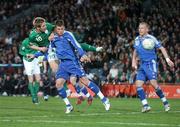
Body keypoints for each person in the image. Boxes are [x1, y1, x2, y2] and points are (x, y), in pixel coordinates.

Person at [51, 19, 110, 113]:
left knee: (84, 81)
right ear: (55, 29)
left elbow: (77, 44)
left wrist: (82, 54)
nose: (60, 31)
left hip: (73, 62)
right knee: (58, 84)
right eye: (58, 29)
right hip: (63, 64)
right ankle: (68, 105)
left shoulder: (68, 34)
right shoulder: (53, 38)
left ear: (64, 28)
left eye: (62, 29)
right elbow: (52, 48)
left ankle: (104, 100)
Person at [132, 22, 174, 113]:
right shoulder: (137, 39)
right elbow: (135, 51)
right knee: (138, 84)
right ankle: (145, 105)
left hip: (151, 64)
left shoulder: (151, 38)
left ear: (147, 29)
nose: (140, 30)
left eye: (142, 28)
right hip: (142, 64)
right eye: (139, 28)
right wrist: (133, 61)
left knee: (154, 84)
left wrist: (167, 60)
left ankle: (166, 103)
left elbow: (162, 48)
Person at [19, 38, 41, 104]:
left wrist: (40, 62)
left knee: (38, 79)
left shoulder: (38, 41)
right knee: (31, 79)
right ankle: (34, 97)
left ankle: (34, 96)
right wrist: (26, 54)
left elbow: (40, 51)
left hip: (35, 59)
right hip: (27, 61)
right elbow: (21, 51)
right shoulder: (25, 41)